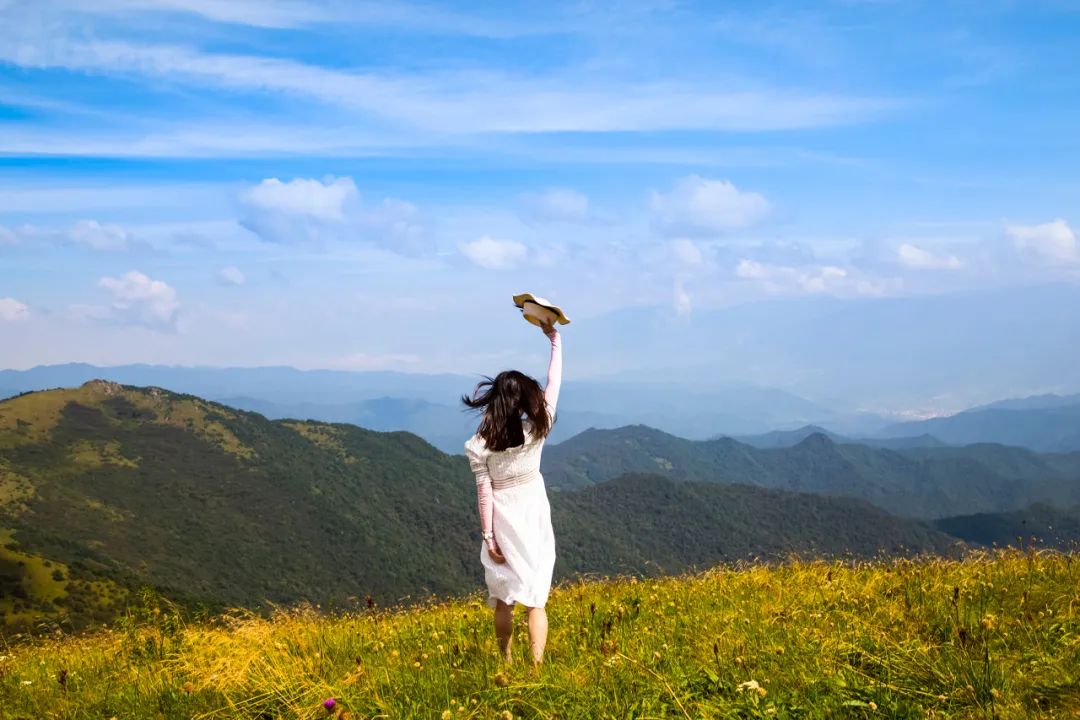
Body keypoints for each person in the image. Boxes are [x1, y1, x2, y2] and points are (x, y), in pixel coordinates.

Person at [462, 319, 562, 667]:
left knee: (504, 598)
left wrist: (489, 537)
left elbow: (484, 493)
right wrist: (554, 341)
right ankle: (536, 668)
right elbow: (553, 385)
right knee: (537, 600)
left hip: (502, 519)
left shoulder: (479, 446)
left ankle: (504, 659)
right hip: (533, 515)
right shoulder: (538, 431)